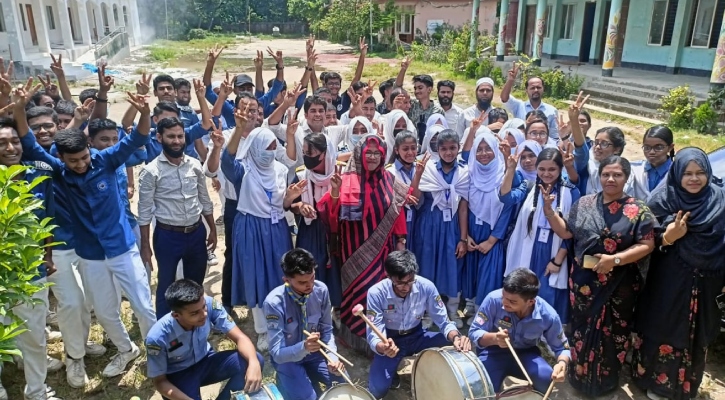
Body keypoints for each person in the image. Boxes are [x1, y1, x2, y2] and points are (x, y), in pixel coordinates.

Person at [16, 90, 158, 378]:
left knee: (143, 306)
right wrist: (19, 108)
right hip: (90, 255)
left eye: (83, 158)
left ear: (89, 150)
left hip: (121, 247)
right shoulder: (59, 171)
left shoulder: (106, 160)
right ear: (62, 159)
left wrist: (144, 113)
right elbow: (30, 145)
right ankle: (126, 349)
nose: (80, 165)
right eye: (73, 161)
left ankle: (158, 355)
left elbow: (137, 139)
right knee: (105, 313)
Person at [543, 156, 655, 396]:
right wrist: (549, 212)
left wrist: (614, 260)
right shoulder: (584, 204)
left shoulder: (638, 209)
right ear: (599, 176)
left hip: (620, 284)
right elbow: (567, 233)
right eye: (606, 174)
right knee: (582, 329)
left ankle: (606, 380)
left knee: (615, 332)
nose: (611, 179)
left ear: (626, 178)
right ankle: (579, 376)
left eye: (617, 175)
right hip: (584, 283)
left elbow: (647, 245)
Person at [633, 148, 725, 400]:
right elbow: (644, 240)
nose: (694, 179)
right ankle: (657, 385)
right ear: (676, 174)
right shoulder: (663, 201)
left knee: (698, 335)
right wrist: (668, 236)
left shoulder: (720, 200)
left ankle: (687, 386)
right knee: (663, 327)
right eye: (687, 174)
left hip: (708, 283)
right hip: (668, 280)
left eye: (700, 173)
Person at [317, 134, 411, 352]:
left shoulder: (389, 180)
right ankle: (354, 339)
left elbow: (397, 214)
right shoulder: (346, 179)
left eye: (376, 153)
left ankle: (377, 342)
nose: (372, 157)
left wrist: (401, 242)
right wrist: (334, 192)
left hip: (382, 252)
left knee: (378, 294)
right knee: (357, 295)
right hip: (353, 252)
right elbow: (330, 216)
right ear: (359, 154)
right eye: (367, 152)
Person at [221, 124, 299, 351]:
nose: (271, 152)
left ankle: (281, 321)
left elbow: (281, 204)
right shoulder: (242, 171)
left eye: (275, 147)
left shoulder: (281, 171)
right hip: (251, 229)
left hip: (276, 228)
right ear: (255, 148)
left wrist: (290, 198)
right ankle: (262, 330)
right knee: (256, 276)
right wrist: (238, 129)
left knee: (279, 274)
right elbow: (227, 159)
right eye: (267, 147)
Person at [0, 117, 61, 400]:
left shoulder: (37, 175)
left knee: (35, 335)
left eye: (14, 141)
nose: (11, 147)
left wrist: (47, 255)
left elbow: (46, 221)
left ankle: (35, 391)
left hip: (29, 271)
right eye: (2, 143)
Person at [138, 116, 217, 318]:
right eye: (171, 136)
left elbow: (205, 200)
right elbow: (144, 211)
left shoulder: (194, 165)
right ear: (159, 137)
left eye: (180, 136)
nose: (176, 141)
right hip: (167, 236)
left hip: (196, 232)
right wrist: (145, 247)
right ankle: (165, 330)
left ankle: (195, 323)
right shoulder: (150, 171)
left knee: (195, 283)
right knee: (166, 284)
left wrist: (213, 230)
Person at [367, 250, 471, 398]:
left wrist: (456, 338)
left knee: (453, 345)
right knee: (377, 390)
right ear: (388, 276)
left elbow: (443, 320)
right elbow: (374, 332)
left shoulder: (426, 287)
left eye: (410, 281)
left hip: (417, 336)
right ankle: (392, 368)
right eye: (400, 283)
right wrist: (383, 347)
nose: (406, 287)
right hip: (391, 341)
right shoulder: (376, 293)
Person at [145, 279, 264, 400]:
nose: (204, 314)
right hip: (179, 374)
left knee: (254, 359)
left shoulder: (209, 305)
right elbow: (160, 382)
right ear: (176, 315)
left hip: (206, 360)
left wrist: (254, 362)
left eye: (203, 307)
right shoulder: (157, 338)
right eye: (195, 313)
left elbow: (240, 337)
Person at [501, 148, 580, 323]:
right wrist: (511, 169)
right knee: (524, 287)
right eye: (542, 169)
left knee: (549, 289)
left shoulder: (571, 192)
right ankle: (523, 324)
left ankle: (547, 330)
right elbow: (506, 198)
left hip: (554, 249)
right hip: (529, 246)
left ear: (560, 169)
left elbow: (572, 232)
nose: (546, 174)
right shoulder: (529, 187)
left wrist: (558, 260)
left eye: (552, 169)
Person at [468, 268, 570, 393]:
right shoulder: (493, 300)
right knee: (481, 387)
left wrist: (562, 364)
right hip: (493, 353)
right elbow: (474, 332)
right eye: (504, 296)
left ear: (530, 302)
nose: (505, 303)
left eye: (512, 301)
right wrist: (494, 338)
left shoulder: (548, 315)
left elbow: (562, 348)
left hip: (526, 354)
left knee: (545, 379)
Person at [263, 249, 345, 400]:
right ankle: (288, 379)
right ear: (286, 280)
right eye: (302, 282)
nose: (310, 285)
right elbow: (277, 353)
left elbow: (327, 330)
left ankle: (306, 378)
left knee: (343, 381)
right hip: (288, 359)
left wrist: (333, 357)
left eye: (312, 278)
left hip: (315, 355)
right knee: (308, 398)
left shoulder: (321, 290)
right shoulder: (274, 303)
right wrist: (304, 347)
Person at [461, 130, 519, 321]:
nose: (483, 153)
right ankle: (470, 303)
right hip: (472, 231)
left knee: (488, 273)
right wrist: (466, 235)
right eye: (479, 149)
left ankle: (483, 312)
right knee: (471, 269)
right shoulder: (470, 173)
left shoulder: (502, 175)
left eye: (488, 149)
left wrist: (492, 240)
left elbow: (506, 211)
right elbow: (463, 206)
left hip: (492, 234)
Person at [415, 129, 470, 328]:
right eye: (444, 148)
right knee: (428, 267)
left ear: (458, 148)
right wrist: (418, 174)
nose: (448, 152)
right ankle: (428, 312)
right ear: (437, 149)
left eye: (452, 148)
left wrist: (463, 239)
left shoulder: (464, 172)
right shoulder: (428, 169)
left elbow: (463, 208)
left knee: (452, 266)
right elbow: (415, 198)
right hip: (429, 225)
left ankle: (452, 311)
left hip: (452, 226)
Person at [290, 133, 342, 307]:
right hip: (310, 231)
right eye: (304, 153)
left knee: (336, 272)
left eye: (310, 154)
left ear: (325, 154)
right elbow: (291, 204)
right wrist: (301, 207)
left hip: (335, 232)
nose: (306, 157)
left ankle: (335, 311)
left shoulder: (339, 174)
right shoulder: (301, 175)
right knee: (311, 269)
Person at [386, 131, 426, 252]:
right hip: (398, 225)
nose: (410, 152)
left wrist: (418, 173)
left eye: (413, 148)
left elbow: (416, 199)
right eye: (405, 149)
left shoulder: (421, 168)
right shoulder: (390, 172)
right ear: (396, 150)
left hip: (417, 220)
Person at [500, 63, 558, 139]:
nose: (536, 90)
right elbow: (504, 98)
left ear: (543, 89)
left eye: (538, 87)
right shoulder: (519, 106)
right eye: (532, 88)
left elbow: (554, 136)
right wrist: (510, 80)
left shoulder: (552, 110)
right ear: (526, 90)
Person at [630, 125, 675, 202]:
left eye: (658, 147)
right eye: (647, 147)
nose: (651, 152)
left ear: (670, 147)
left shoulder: (677, 173)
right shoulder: (634, 169)